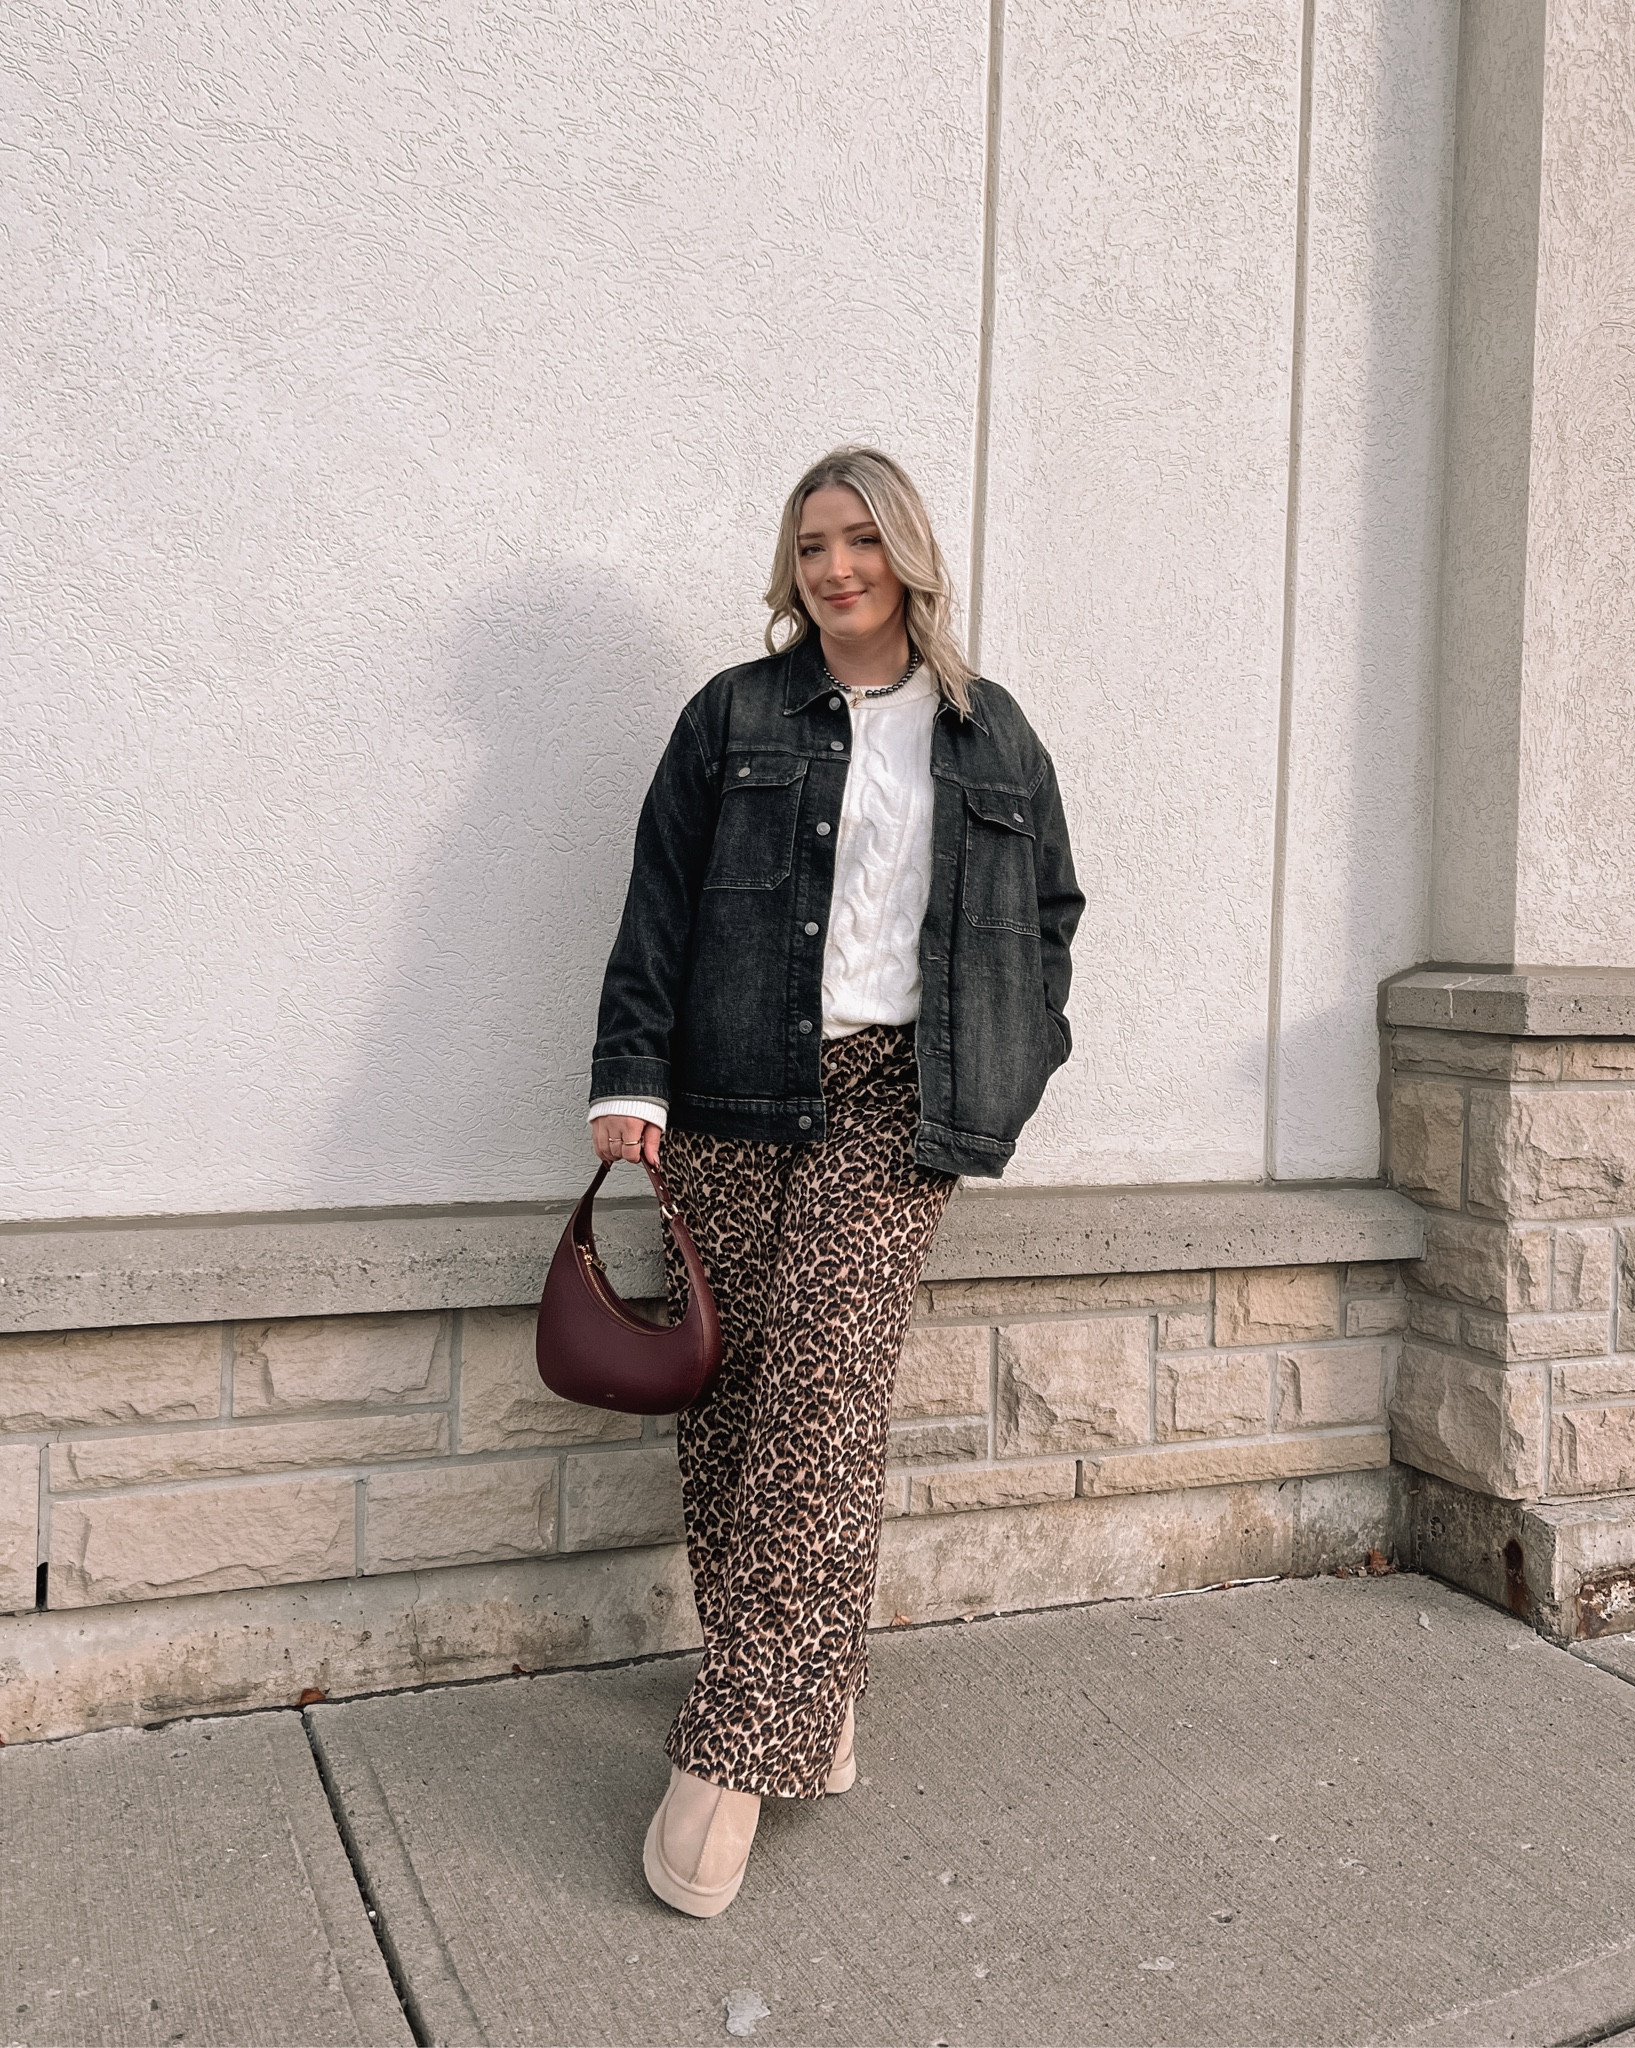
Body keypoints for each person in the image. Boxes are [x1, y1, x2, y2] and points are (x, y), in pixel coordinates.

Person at [587, 445, 1083, 1917]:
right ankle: (812, 1697)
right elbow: (659, 903)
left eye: (860, 539)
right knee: (733, 1409)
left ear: (907, 554)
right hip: (733, 1095)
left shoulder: (991, 735)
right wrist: (630, 1079)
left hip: (890, 1108)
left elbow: (1050, 917)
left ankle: (729, 1760)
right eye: (812, 545)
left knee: (821, 1405)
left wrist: (1018, 1056)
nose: (836, 568)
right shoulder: (733, 715)